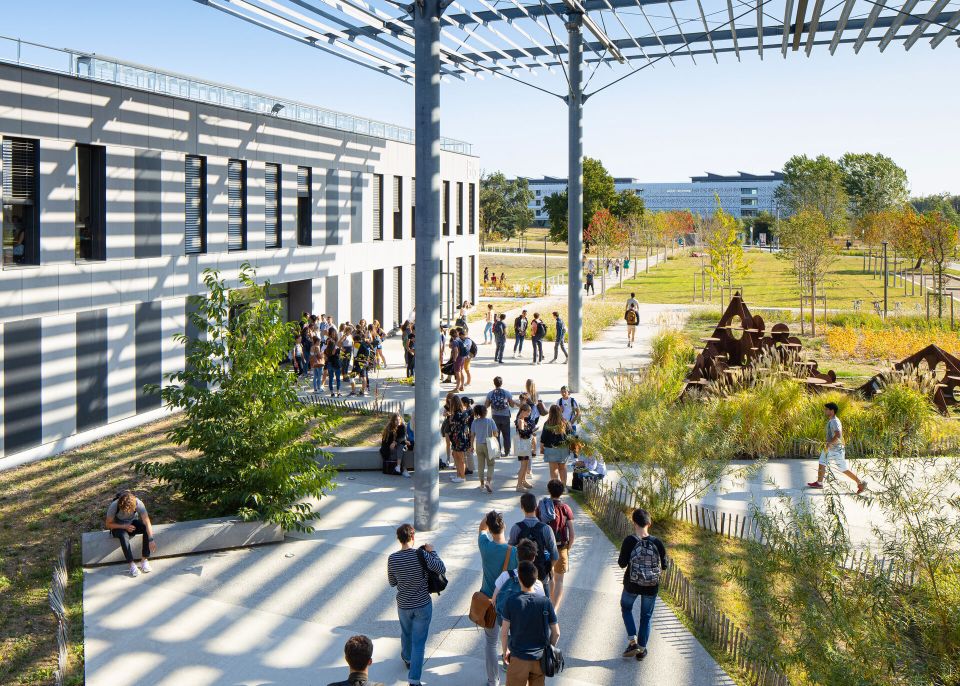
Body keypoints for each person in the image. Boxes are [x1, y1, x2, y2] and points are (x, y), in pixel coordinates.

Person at [387, 524, 445, 686]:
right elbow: (441, 568)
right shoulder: (421, 555)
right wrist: (432, 551)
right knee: (419, 643)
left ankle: (407, 658)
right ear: (413, 537)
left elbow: (392, 582)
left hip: (404, 605)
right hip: (423, 604)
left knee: (406, 632)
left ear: (399, 539)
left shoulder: (392, 558)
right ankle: (414, 679)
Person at [499, 561, 560, 686]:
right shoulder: (545, 602)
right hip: (539, 660)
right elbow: (556, 633)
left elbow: (504, 633)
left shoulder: (511, 601)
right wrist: (549, 650)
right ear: (536, 579)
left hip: (518, 659)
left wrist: (505, 652)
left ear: (519, 579)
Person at [618, 508, 668, 661]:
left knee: (626, 607)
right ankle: (642, 650)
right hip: (651, 586)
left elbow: (621, 564)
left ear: (634, 523)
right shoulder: (657, 542)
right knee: (646, 616)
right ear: (649, 523)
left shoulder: (629, 541)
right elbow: (665, 566)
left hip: (632, 584)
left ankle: (632, 642)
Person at [478, 512, 518, 686]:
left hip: (488, 602)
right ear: (504, 527)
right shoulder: (514, 552)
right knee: (510, 637)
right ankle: (509, 665)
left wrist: (487, 517)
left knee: (490, 642)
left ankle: (492, 680)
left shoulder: (484, 545)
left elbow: (481, 528)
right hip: (509, 603)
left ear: (490, 527)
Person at [807, 402, 868, 493]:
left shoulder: (834, 421)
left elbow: (838, 434)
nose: (825, 411)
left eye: (826, 409)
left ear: (832, 411)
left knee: (841, 468)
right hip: (834, 448)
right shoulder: (832, 420)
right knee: (822, 462)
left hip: (835, 449)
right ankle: (819, 483)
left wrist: (829, 444)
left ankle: (860, 482)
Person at [508, 492, 559, 599]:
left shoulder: (516, 528)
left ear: (522, 507)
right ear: (536, 507)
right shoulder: (546, 529)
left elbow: (510, 552)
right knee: (544, 608)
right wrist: (547, 569)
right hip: (541, 575)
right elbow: (555, 556)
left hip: (521, 578)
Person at [536, 480, 575, 612]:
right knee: (559, 580)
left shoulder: (541, 507)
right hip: (561, 546)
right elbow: (572, 533)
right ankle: (555, 609)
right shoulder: (565, 508)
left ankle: (547, 603)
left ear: (549, 490)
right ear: (562, 492)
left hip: (545, 548)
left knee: (549, 577)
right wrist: (567, 548)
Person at [105, 491, 157, 577]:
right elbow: (108, 524)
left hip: (132, 523)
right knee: (123, 535)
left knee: (145, 529)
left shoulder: (138, 503)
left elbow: (147, 521)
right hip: (118, 527)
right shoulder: (114, 506)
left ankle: (144, 560)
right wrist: (124, 526)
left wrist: (151, 539)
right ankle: (132, 565)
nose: (128, 512)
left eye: (131, 510)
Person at [539, 406, 571, 487]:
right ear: (560, 412)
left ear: (550, 413)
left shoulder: (547, 423)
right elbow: (570, 436)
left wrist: (541, 448)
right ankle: (563, 487)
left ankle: (555, 488)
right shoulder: (565, 422)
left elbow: (543, 438)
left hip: (551, 448)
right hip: (563, 448)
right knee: (563, 468)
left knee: (553, 469)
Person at [486, 376, 517, 457]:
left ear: (494, 383)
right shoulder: (507, 393)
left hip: (495, 416)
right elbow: (512, 405)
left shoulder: (490, 393)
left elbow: (486, 405)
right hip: (505, 416)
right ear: (501, 383)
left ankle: (497, 452)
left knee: (496, 435)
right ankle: (507, 451)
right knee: (506, 434)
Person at [472, 405, 500, 493]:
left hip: (478, 444)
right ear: (485, 412)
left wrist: (471, 446)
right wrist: (495, 435)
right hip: (488, 445)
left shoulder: (475, 422)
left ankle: (481, 484)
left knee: (480, 465)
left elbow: (472, 435)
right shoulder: (490, 421)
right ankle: (488, 482)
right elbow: (495, 433)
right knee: (491, 464)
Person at [448, 395, 472, 483]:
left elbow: (453, 424)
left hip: (458, 437)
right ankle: (459, 475)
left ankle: (462, 477)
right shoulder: (463, 413)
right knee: (457, 456)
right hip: (459, 437)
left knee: (460, 458)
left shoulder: (457, 414)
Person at [381, 413, 412, 478]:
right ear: (393, 421)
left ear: (401, 420)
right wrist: (403, 442)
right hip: (389, 449)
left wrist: (396, 442)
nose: (398, 421)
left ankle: (398, 467)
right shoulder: (389, 428)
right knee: (401, 448)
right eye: (396, 420)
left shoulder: (402, 427)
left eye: (399, 420)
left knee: (401, 447)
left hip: (398, 447)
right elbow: (387, 442)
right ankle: (404, 470)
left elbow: (401, 438)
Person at [514, 403, 537, 491]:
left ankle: (523, 481)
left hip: (524, 445)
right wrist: (532, 430)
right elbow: (522, 434)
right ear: (523, 411)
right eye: (528, 412)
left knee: (526, 465)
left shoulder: (523, 419)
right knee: (523, 466)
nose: (529, 414)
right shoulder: (520, 420)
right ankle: (519, 485)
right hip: (522, 446)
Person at [325, 328, 342, 396]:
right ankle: (338, 392)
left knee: (331, 378)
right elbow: (334, 353)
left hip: (330, 362)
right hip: (336, 363)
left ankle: (332, 392)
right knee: (337, 378)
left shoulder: (327, 347)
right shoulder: (335, 346)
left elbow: (326, 353)